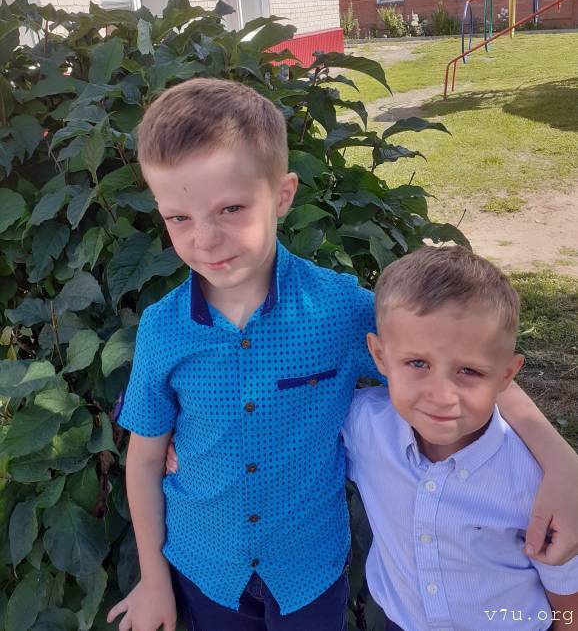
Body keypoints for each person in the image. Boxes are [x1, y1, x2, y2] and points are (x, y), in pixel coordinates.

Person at [107, 77, 578, 631]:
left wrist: (562, 463)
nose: (204, 239)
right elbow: (145, 459)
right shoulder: (163, 329)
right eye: (178, 218)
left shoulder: (338, 310)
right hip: (205, 566)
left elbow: (462, 361)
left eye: (231, 208)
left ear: (282, 195)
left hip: (310, 569)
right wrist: (153, 579)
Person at [342, 246, 578, 631]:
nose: (441, 395)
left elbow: (569, 603)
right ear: (380, 356)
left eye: (468, 371)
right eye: (418, 363)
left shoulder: (537, 483)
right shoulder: (364, 425)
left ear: (506, 375)